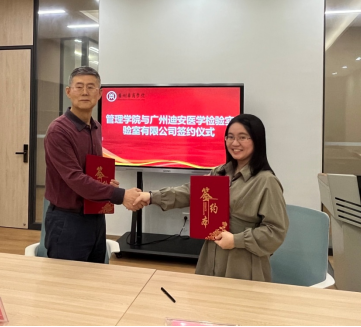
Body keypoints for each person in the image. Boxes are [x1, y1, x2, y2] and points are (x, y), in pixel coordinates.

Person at [133, 114, 289, 282]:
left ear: (257, 140)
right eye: (230, 137)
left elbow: (275, 231)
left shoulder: (266, 181)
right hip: (211, 257)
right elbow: (191, 193)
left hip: (244, 264)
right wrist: (151, 196)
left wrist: (236, 240)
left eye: (242, 137)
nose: (235, 143)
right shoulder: (220, 172)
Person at [44, 67, 142, 263]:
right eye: (79, 86)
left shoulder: (96, 128)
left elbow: (90, 172)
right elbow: (75, 178)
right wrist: (121, 195)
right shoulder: (59, 131)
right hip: (68, 221)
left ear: (100, 93)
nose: (85, 92)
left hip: (96, 216)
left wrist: (106, 184)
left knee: (95, 277)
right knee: (67, 279)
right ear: (68, 92)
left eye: (91, 87)